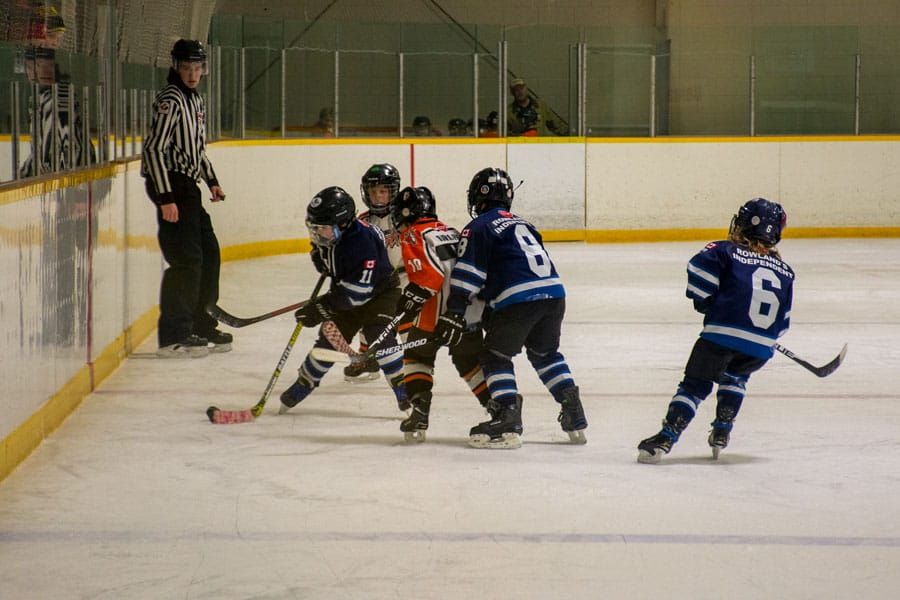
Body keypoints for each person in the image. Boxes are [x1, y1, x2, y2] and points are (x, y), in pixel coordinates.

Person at [435, 167, 588, 449]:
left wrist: (455, 313)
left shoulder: (478, 227)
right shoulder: (524, 224)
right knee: (545, 353)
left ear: (477, 198)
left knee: (493, 356)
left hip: (518, 299)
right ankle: (573, 408)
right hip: (554, 294)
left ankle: (507, 416)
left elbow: (468, 275)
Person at [637, 198, 793, 463]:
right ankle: (722, 430)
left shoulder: (724, 250)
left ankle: (665, 438)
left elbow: (698, 278)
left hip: (721, 336)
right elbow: (783, 323)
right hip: (761, 347)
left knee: (694, 386)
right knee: (736, 377)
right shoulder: (786, 272)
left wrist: (708, 303)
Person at [280, 186, 407, 413]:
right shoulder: (332, 238)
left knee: (380, 337)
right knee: (329, 339)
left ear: (343, 224)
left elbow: (357, 293)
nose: (317, 233)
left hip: (380, 294)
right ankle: (305, 383)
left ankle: (403, 391)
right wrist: (321, 261)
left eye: (322, 228)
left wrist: (321, 308)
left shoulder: (363, 242)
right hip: (347, 295)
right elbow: (333, 266)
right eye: (315, 228)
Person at [142, 39, 231, 358]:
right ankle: (174, 335)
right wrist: (166, 197)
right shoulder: (171, 99)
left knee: (209, 253)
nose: (192, 74)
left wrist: (212, 181)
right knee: (186, 261)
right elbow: (154, 149)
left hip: (188, 189)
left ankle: (200, 322)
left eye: (197, 68)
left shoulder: (194, 101)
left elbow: (196, 150)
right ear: (175, 67)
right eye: (186, 68)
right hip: (172, 187)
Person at [389, 186, 491, 442]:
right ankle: (500, 409)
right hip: (467, 314)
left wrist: (409, 298)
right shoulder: (451, 231)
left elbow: (429, 278)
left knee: (415, 356)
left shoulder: (413, 234)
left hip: (435, 317)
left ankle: (420, 414)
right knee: (468, 362)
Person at [337, 163, 406, 383]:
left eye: (383, 191)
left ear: (393, 192)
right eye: (373, 191)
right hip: (377, 281)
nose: (377, 196)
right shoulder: (362, 221)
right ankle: (369, 358)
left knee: (406, 327)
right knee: (364, 310)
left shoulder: (404, 218)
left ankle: (414, 366)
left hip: (405, 279)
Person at [19, 46, 96, 177]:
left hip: (72, 176)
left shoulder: (56, 97)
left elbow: (65, 151)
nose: (42, 71)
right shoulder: (40, 98)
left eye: (46, 66)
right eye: (33, 67)